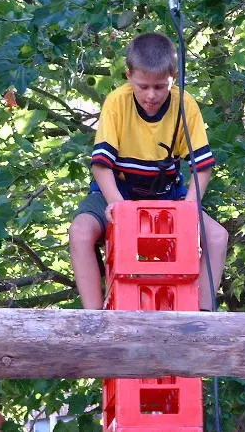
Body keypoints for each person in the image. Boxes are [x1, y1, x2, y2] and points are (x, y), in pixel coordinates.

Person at [69, 32, 228, 311]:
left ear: (173, 77)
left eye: (160, 86)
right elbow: (101, 165)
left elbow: (202, 167)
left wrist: (190, 207)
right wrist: (117, 204)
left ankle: (202, 316)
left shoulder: (184, 105)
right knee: (81, 232)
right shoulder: (117, 102)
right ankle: (93, 317)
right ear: (129, 75)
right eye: (143, 86)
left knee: (217, 236)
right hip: (119, 190)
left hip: (166, 194)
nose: (151, 95)